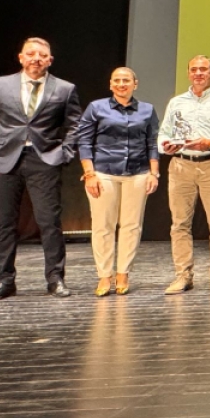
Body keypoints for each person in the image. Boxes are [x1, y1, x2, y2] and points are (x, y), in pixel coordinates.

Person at [0, 37, 81, 302]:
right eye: (30, 54)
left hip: (44, 160)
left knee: (49, 221)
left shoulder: (65, 89)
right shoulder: (0, 85)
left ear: (50, 60)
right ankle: (4, 280)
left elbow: (76, 125)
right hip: (4, 160)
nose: (36, 59)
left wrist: (63, 153)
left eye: (42, 55)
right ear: (21, 57)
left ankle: (55, 279)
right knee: (5, 222)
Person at [157, 55, 210, 293]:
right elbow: (163, 133)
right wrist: (165, 146)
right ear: (188, 73)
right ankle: (183, 275)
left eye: (203, 69)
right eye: (194, 69)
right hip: (180, 165)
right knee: (179, 224)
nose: (198, 73)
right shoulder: (176, 102)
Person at [77, 67, 160, 296]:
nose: (121, 84)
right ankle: (105, 275)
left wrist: (154, 173)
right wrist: (89, 174)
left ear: (135, 84)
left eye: (126, 80)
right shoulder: (96, 108)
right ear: (110, 84)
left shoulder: (147, 110)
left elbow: (152, 143)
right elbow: (84, 141)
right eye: (117, 80)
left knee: (131, 226)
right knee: (103, 226)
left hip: (138, 173)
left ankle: (123, 273)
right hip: (103, 172)